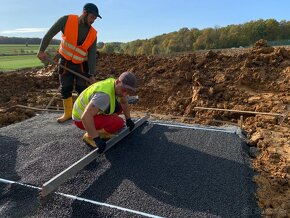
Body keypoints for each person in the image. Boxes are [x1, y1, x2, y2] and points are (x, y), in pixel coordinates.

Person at [37, 3, 102, 123]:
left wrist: (92, 74)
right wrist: (41, 50)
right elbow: (49, 34)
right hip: (65, 62)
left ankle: (82, 114)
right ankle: (67, 113)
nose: (93, 20)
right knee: (65, 87)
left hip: (81, 64)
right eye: (92, 17)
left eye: (95, 19)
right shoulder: (66, 20)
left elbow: (92, 54)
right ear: (84, 13)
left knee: (82, 89)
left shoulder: (93, 33)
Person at [72, 72, 137, 153]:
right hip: (81, 119)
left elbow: (124, 103)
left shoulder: (115, 86)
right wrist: (96, 139)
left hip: (88, 112)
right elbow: (85, 116)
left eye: (128, 92)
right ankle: (89, 136)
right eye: (124, 90)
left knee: (118, 108)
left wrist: (129, 120)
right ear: (117, 82)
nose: (125, 94)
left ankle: (99, 128)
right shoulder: (104, 95)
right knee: (118, 122)